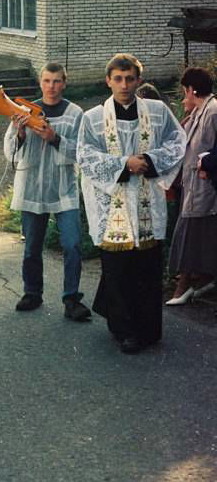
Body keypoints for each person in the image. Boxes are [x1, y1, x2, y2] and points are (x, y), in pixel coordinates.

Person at [78, 53, 185, 354]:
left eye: (130, 78)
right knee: (119, 270)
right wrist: (126, 164)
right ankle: (125, 331)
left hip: (147, 201)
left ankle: (149, 329)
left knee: (147, 269)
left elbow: (178, 142)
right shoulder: (93, 118)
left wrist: (149, 161)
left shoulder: (158, 111)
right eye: (118, 79)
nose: (124, 85)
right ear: (108, 81)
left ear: (138, 80)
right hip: (113, 205)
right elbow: (85, 155)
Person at [3, 63, 90, 321]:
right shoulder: (25, 110)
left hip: (63, 188)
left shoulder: (75, 113)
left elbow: (82, 153)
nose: (51, 86)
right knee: (32, 247)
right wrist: (19, 133)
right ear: (40, 82)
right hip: (32, 188)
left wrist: (55, 138)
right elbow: (9, 152)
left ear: (65, 82)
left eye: (57, 81)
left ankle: (71, 298)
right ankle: (32, 292)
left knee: (73, 244)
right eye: (47, 81)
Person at [165, 67, 216, 304]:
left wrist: (207, 163)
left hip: (206, 188)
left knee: (186, 233)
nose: (183, 95)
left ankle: (183, 284)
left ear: (191, 89)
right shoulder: (199, 111)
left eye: (184, 90)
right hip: (195, 187)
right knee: (199, 235)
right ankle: (201, 279)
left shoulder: (213, 111)